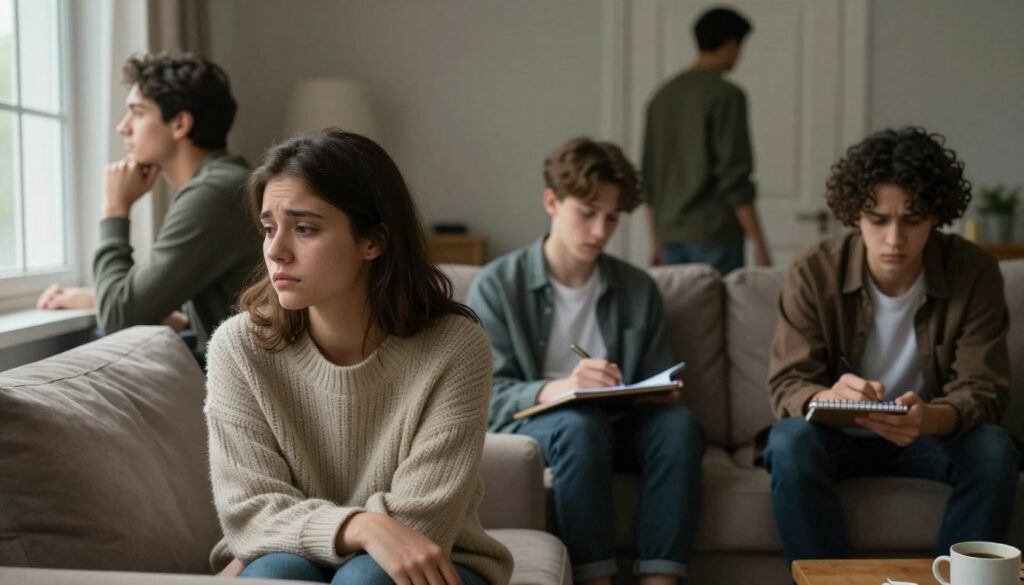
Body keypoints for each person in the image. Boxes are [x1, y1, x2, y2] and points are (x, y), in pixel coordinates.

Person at [204, 129, 513, 585]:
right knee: (276, 573)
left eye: (304, 228)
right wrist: (362, 527)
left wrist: (319, 533)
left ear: (373, 242)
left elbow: (424, 519)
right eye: (269, 228)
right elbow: (249, 512)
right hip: (289, 555)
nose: (275, 250)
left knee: (364, 579)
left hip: (436, 562)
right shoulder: (238, 348)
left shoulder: (455, 348)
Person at [764, 127, 1019, 562]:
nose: (895, 239)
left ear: (937, 215)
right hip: (836, 436)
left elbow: (983, 388)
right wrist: (829, 397)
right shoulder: (814, 271)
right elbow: (788, 383)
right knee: (789, 442)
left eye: (912, 219)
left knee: (994, 448)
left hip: (930, 436)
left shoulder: (974, 271)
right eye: (878, 220)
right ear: (855, 216)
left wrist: (930, 419)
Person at [467, 137, 704, 585]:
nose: (600, 230)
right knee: (580, 424)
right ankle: (596, 580)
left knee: (681, 426)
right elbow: (484, 395)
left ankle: (661, 580)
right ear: (552, 201)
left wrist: (659, 391)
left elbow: (660, 375)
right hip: (550, 424)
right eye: (587, 212)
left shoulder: (637, 288)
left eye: (612, 217)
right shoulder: (498, 285)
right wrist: (563, 388)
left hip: (623, 423)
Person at [37, 52, 261, 352]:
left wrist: (115, 209)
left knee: (102, 339)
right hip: (238, 365)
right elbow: (214, 313)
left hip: (244, 381)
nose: (123, 127)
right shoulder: (227, 181)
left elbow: (119, 318)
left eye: (138, 112)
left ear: (180, 124)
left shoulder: (212, 195)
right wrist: (98, 297)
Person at [641, 6, 771, 274]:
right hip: (714, 233)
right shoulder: (726, 95)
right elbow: (734, 175)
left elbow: (649, 176)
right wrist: (760, 243)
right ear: (730, 44)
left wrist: (654, 239)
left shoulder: (662, 97)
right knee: (717, 315)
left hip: (668, 233)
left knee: (680, 315)